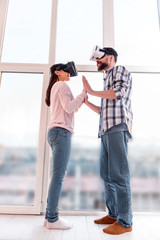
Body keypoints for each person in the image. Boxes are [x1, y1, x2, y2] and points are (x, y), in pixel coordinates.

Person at [82, 46, 133, 235]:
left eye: (99, 59)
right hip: (105, 131)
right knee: (107, 175)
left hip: (117, 129)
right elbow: (104, 112)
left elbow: (117, 93)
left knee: (119, 175)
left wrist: (93, 91)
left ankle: (125, 222)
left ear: (111, 57)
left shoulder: (120, 70)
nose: (97, 62)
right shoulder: (106, 79)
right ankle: (113, 214)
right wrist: (87, 102)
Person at [44, 62, 86, 230]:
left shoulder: (55, 86)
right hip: (61, 132)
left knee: (56, 176)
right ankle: (53, 219)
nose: (69, 73)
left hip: (55, 132)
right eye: (66, 71)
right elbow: (69, 108)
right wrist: (83, 93)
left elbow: (69, 108)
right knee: (58, 177)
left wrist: (80, 100)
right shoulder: (61, 85)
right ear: (57, 72)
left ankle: (49, 218)